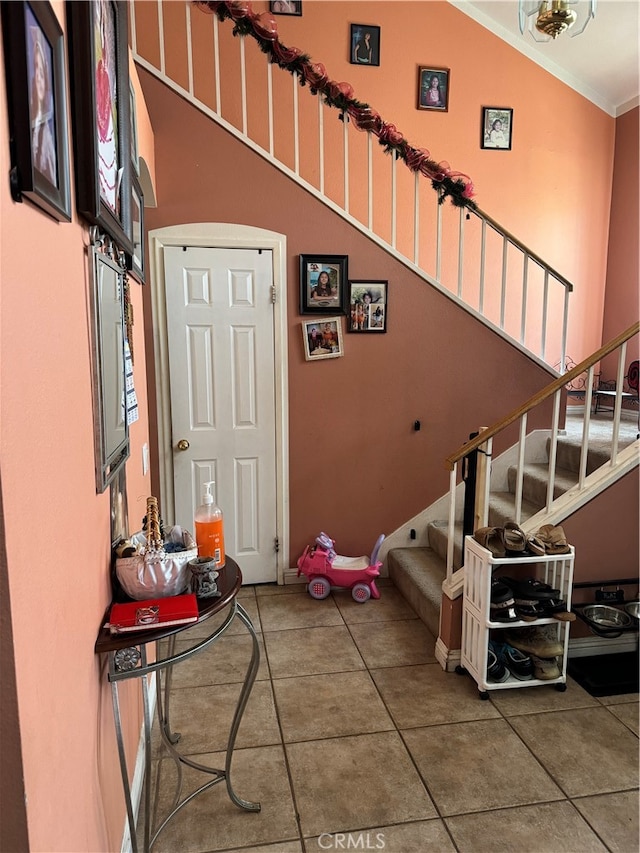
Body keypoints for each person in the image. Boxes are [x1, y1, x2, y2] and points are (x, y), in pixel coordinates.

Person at [29, 26, 57, 185]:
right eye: (36, 70)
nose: (38, 78)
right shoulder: (32, 121)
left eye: (41, 73)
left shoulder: (46, 134)